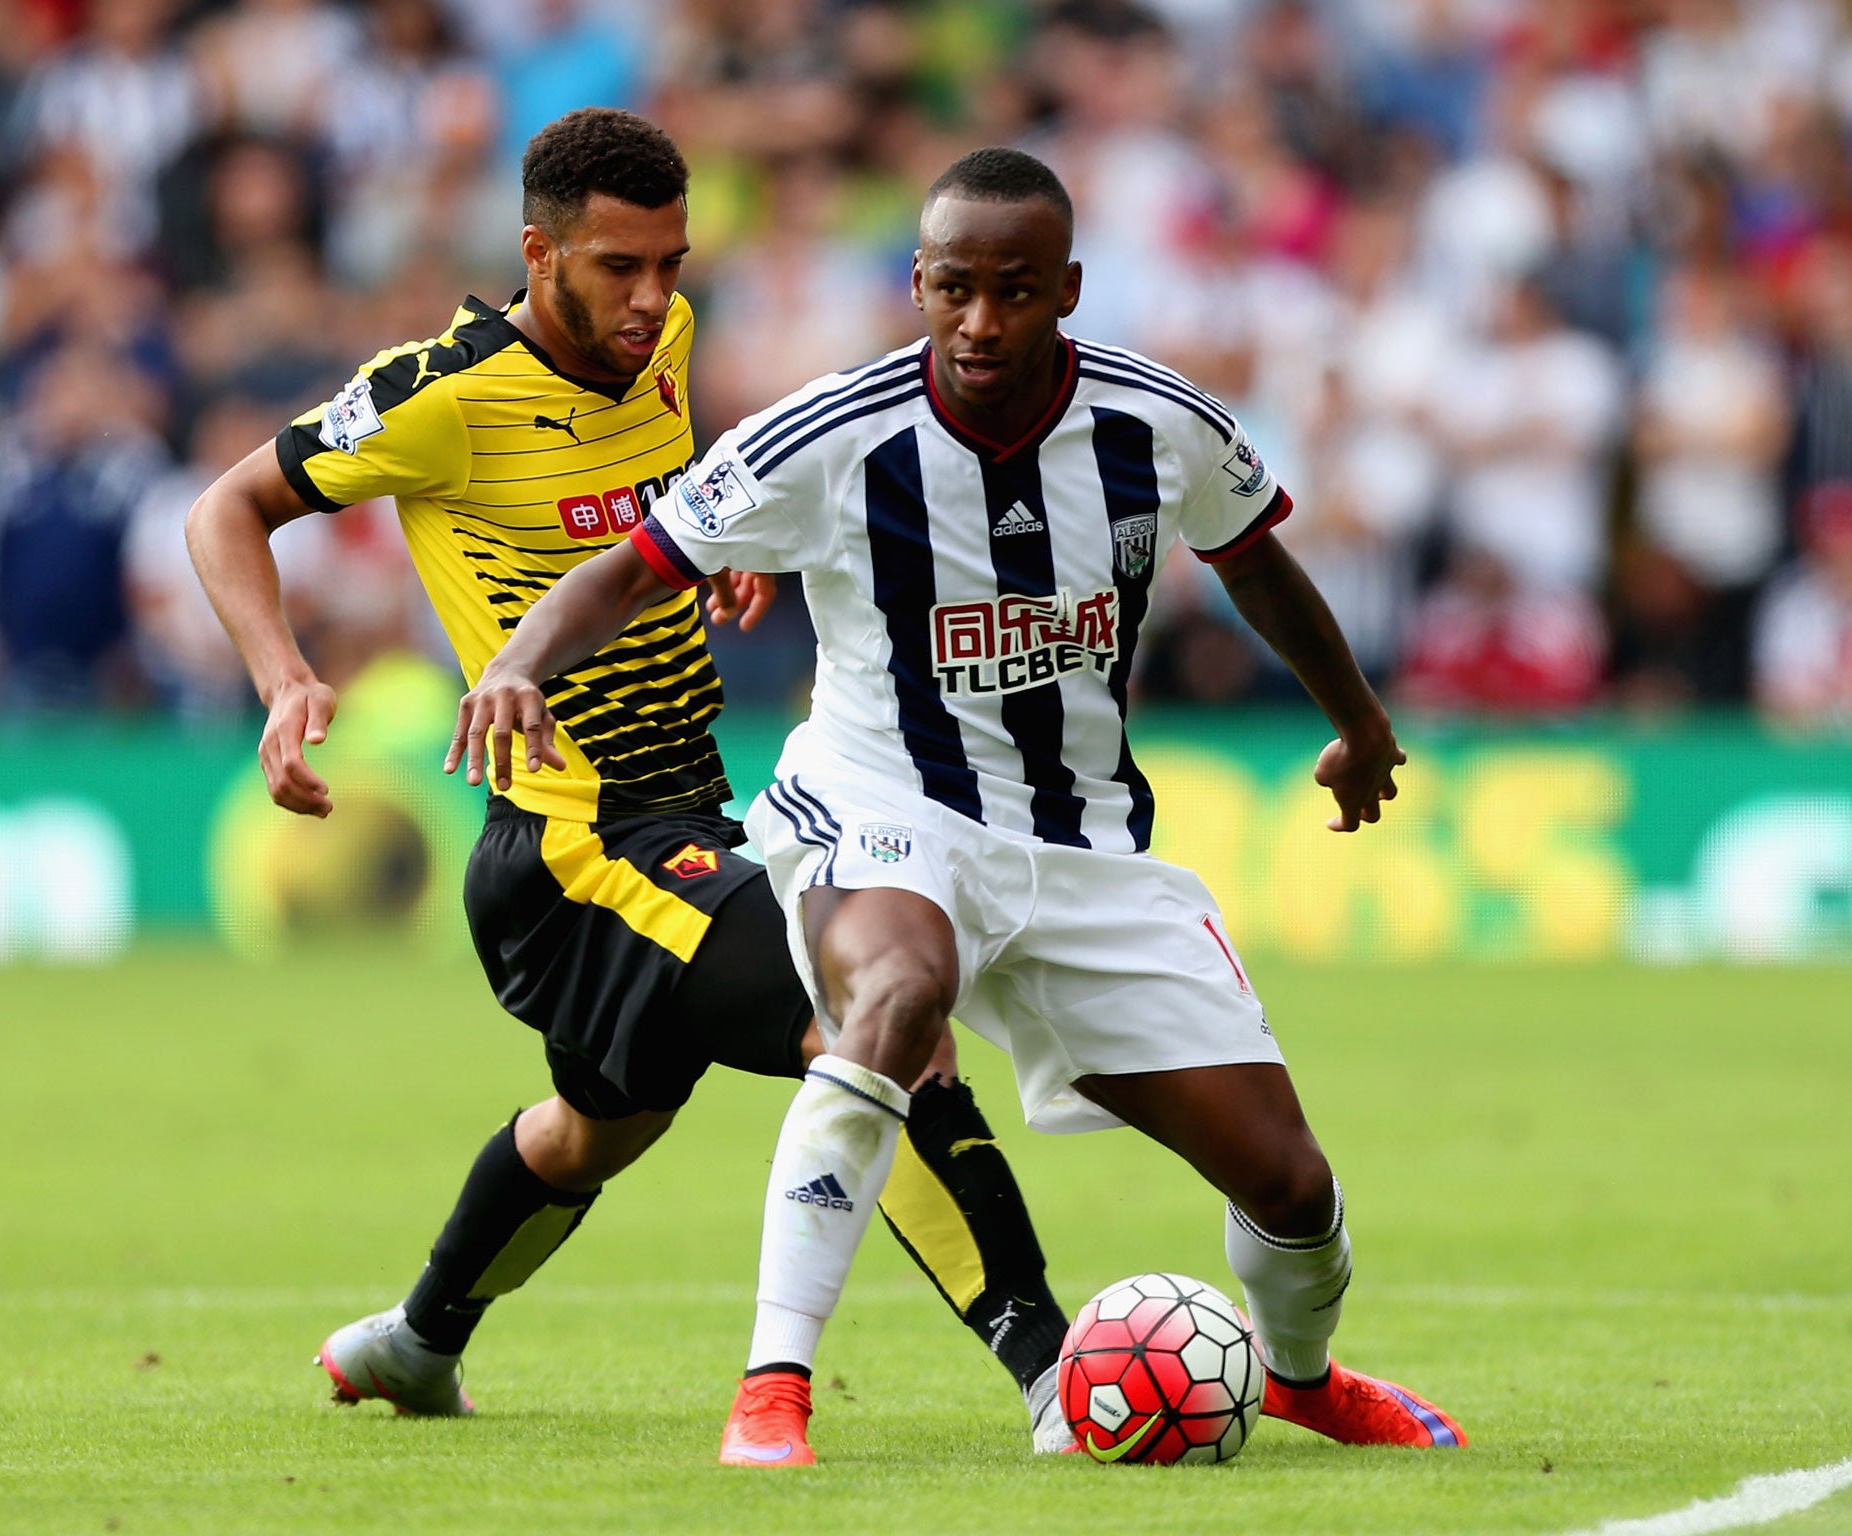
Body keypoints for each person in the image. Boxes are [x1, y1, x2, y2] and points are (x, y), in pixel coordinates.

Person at [462, 147, 1470, 1466]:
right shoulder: (827, 434)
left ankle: (1300, 1377)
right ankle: (774, 1388)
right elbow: (634, 568)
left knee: (1290, 1184)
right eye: (952, 289)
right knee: (889, 1002)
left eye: (1013, 291)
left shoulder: (1156, 424)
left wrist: (1360, 725)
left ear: (1067, 288)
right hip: (885, 805)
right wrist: (517, 664)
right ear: (920, 282)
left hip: (1085, 849)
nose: (980, 322)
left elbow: (1257, 565)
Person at [184, 110, 1074, 1448]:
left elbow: (655, 492)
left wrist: (728, 537)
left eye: (673, 264)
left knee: (590, 1133)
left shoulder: (662, 345)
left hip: (688, 810)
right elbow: (225, 508)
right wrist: (282, 676)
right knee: (882, 1021)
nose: (654, 299)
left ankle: (416, 1344)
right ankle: (1059, 1374)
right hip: (574, 848)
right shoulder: (440, 395)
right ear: (539, 252)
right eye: (619, 267)